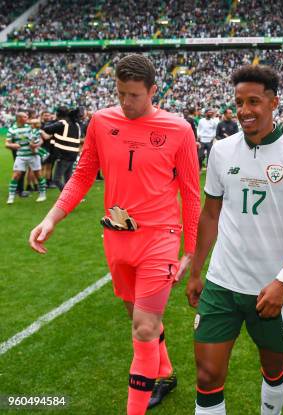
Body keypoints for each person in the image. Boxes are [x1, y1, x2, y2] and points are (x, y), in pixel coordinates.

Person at [29, 54, 201, 415]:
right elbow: (82, 175)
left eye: (135, 95)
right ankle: (165, 374)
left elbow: (190, 191)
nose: (126, 102)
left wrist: (191, 251)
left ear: (153, 90)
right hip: (117, 237)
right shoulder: (101, 121)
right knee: (141, 320)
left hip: (161, 238)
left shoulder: (179, 130)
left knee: (142, 328)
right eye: (121, 93)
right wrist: (51, 219)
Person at [186, 65, 283, 415]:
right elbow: (211, 214)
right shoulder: (221, 151)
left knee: (274, 368)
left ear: (274, 102)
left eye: (254, 101)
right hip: (222, 282)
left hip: (271, 285)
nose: (244, 110)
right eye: (239, 102)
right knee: (207, 374)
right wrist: (197, 270)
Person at [6, 111, 47, 204]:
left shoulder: (30, 128)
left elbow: (41, 140)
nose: (27, 118)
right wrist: (13, 145)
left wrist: (36, 145)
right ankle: (11, 196)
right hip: (21, 156)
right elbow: (7, 143)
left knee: (38, 175)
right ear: (19, 119)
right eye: (25, 117)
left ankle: (42, 194)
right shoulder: (12, 129)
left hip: (33, 155)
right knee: (16, 175)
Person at [41, 106, 83, 190]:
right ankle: (72, 196)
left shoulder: (63, 123)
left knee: (56, 179)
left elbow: (46, 129)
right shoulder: (76, 124)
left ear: (58, 114)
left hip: (64, 155)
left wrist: (53, 120)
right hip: (73, 154)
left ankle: (69, 195)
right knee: (68, 179)